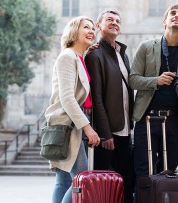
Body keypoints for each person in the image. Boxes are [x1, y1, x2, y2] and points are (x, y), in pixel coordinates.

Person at [129, 4, 178, 201]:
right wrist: (156, 81)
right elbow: (133, 79)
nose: (176, 17)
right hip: (147, 118)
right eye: (173, 14)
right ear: (165, 21)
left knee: (168, 172)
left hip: (174, 121)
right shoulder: (146, 47)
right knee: (144, 171)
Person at [44, 16, 101, 203]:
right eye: (86, 27)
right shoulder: (67, 57)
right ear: (74, 31)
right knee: (82, 179)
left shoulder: (77, 57)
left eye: (93, 28)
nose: (92, 31)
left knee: (63, 181)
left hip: (73, 121)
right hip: (69, 124)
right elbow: (67, 97)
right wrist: (87, 127)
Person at [84, 10, 135, 203]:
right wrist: (105, 133)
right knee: (104, 189)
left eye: (118, 21)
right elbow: (96, 97)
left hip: (124, 131)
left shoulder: (122, 53)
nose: (114, 23)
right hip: (108, 135)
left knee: (127, 183)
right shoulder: (95, 54)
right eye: (109, 20)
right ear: (99, 26)